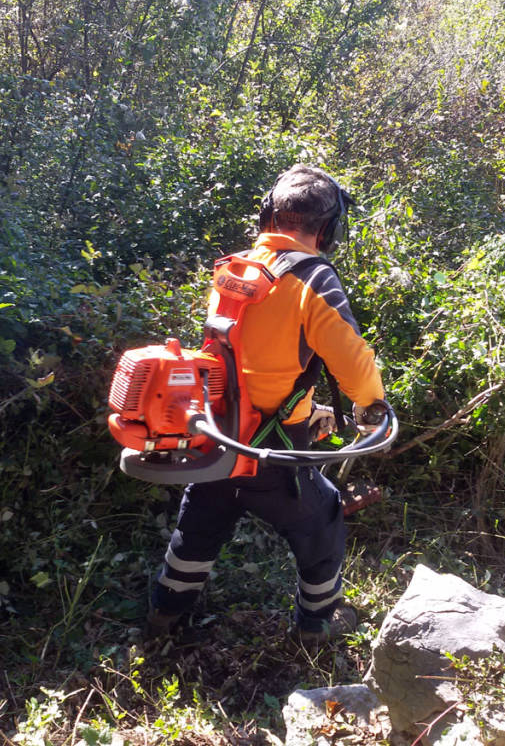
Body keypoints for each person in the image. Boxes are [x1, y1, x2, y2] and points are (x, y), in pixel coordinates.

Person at [147, 165, 387, 642]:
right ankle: (317, 624)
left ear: (267, 215)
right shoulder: (314, 279)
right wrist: (370, 408)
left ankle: (163, 617)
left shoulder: (235, 268)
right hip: (273, 451)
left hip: (217, 434)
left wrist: (310, 410)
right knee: (323, 523)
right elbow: (354, 362)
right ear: (328, 229)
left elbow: (248, 358)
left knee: (198, 527)